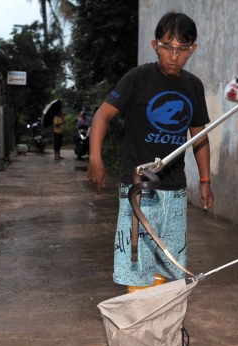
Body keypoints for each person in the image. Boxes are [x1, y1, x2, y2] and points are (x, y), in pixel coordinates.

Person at [87, 12, 214, 293]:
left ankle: (155, 325)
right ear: (155, 45)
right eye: (167, 47)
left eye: (182, 49)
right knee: (137, 259)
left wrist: (205, 181)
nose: (173, 55)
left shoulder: (193, 86)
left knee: (168, 261)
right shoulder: (138, 78)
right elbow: (102, 115)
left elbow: (200, 137)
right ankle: (138, 326)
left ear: (192, 50)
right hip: (138, 188)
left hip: (175, 190)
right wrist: (95, 159)